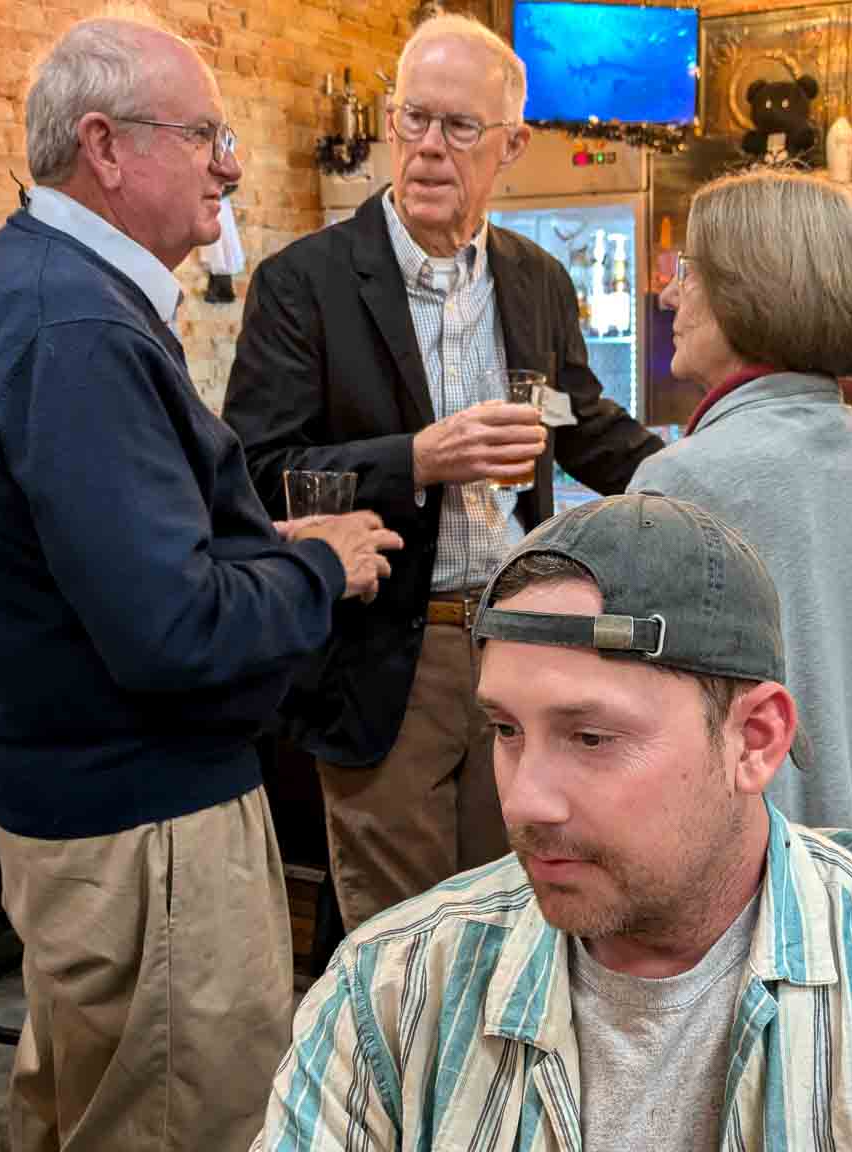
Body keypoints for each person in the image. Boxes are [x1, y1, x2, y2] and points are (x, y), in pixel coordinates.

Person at [253, 493, 852, 1151]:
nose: (525, 800)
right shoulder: (395, 992)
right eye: (507, 731)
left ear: (755, 739)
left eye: (592, 736)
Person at [0, 16, 400, 1150]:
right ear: (106, 146)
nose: (229, 162)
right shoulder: (73, 326)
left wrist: (270, 547)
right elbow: (170, 629)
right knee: (188, 1122)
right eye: (205, 134)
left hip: (94, 804)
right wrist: (317, 566)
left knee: (95, 1107)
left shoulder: (49, 290)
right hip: (144, 820)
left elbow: (129, 566)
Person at [222, 13, 662, 933]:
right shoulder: (304, 281)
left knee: (517, 919)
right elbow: (258, 473)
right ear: (389, 121)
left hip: (523, 643)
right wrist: (416, 459)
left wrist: (707, 471)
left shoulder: (537, 278)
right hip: (387, 651)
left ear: (512, 144)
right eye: (414, 119)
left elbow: (583, 426)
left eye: (460, 128)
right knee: (403, 940)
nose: (429, 149)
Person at [628, 170, 852, 838]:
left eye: (691, 271)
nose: (672, 295)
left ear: (751, 292)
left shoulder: (678, 481)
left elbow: (634, 721)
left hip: (733, 885)